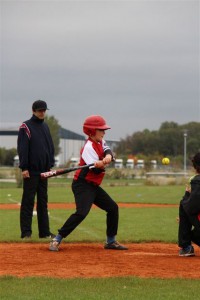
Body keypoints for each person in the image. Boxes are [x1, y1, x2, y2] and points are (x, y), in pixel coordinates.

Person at [49, 115, 128, 251]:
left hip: (93, 185)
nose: (104, 132)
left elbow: (107, 150)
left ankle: (110, 241)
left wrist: (107, 157)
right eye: (101, 130)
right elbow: (96, 171)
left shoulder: (100, 141)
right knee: (81, 213)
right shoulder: (88, 147)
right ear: (92, 131)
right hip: (82, 185)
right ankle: (57, 239)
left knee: (112, 208)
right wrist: (100, 165)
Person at [17, 100, 55, 239]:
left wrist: (50, 163)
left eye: (44, 110)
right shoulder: (25, 127)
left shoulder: (45, 126)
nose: (42, 112)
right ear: (33, 111)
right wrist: (24, 167)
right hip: (31, 171)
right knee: (28, 202)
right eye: (39, 110)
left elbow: (50, 146)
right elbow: (23, 148)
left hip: (44, 171)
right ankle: (26, 232)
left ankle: (44, 232)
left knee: (43, 202)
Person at [178, 152, 200, 256]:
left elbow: (191, 208)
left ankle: (186, 247)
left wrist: (187, 195)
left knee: (184, 204)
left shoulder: (197, 181)